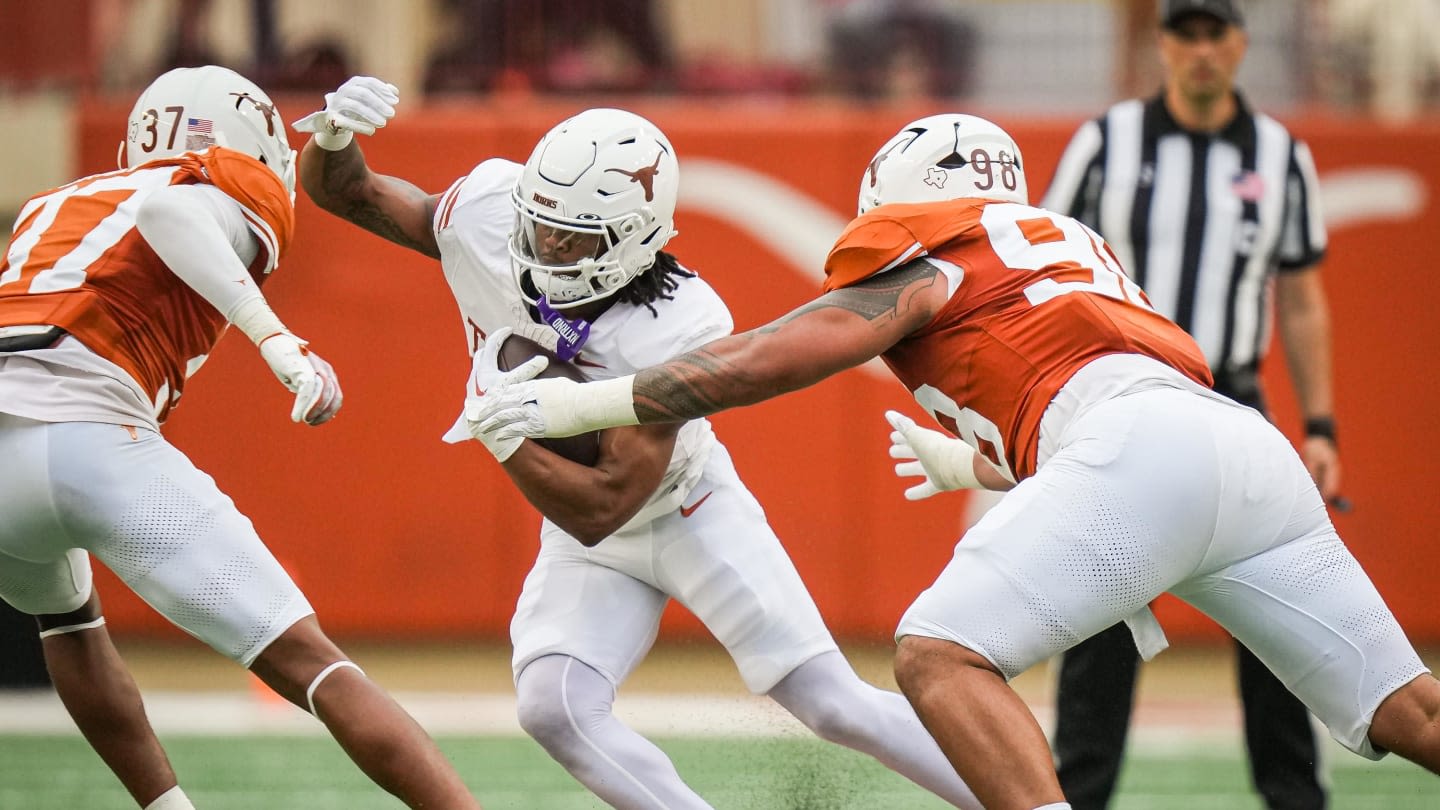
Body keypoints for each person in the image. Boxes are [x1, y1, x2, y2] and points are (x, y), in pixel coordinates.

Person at [468, 111, 1440, 810]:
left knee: (937, 654)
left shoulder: (941, 261)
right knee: (1411, 713)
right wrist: (975, 464)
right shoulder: (1062, 243)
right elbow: (1099, 406)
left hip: (1139, 450)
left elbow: (768, 360)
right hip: (1237, 446)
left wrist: (579, 399)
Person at [292, 77, 983, 809]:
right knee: (553, 706)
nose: (546, 248)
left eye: (573, 238)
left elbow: (606, 505)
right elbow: (352, 194)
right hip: (585, 530)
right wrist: (332, 139)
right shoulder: (490, 213)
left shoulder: (679, 322)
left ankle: (1019, 799)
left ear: (635, 240)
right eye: (540, 225)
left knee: (831, 702)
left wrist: (505, 435)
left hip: (685, 509)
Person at [0, 66, 480, 810]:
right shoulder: (215, 177)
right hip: (94, 438)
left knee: (67, 623)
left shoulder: (51, 204)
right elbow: (170, 216)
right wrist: (279, 343)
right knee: (311, 665)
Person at [1035, 1, 1338, 807]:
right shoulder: (1106, 143)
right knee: (1099, 614)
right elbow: (1048, 271)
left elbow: (1302, 300)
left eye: (1216, 34)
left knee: (1275, 615)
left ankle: (1294, 796)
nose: (1201, 52)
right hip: (1125, 394)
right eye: (1185, 34)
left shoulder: (1281, 154)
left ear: (1240, 43)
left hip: (1236, 399)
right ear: (1161, 43)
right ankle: (1078, 795)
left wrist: (1320, 424)